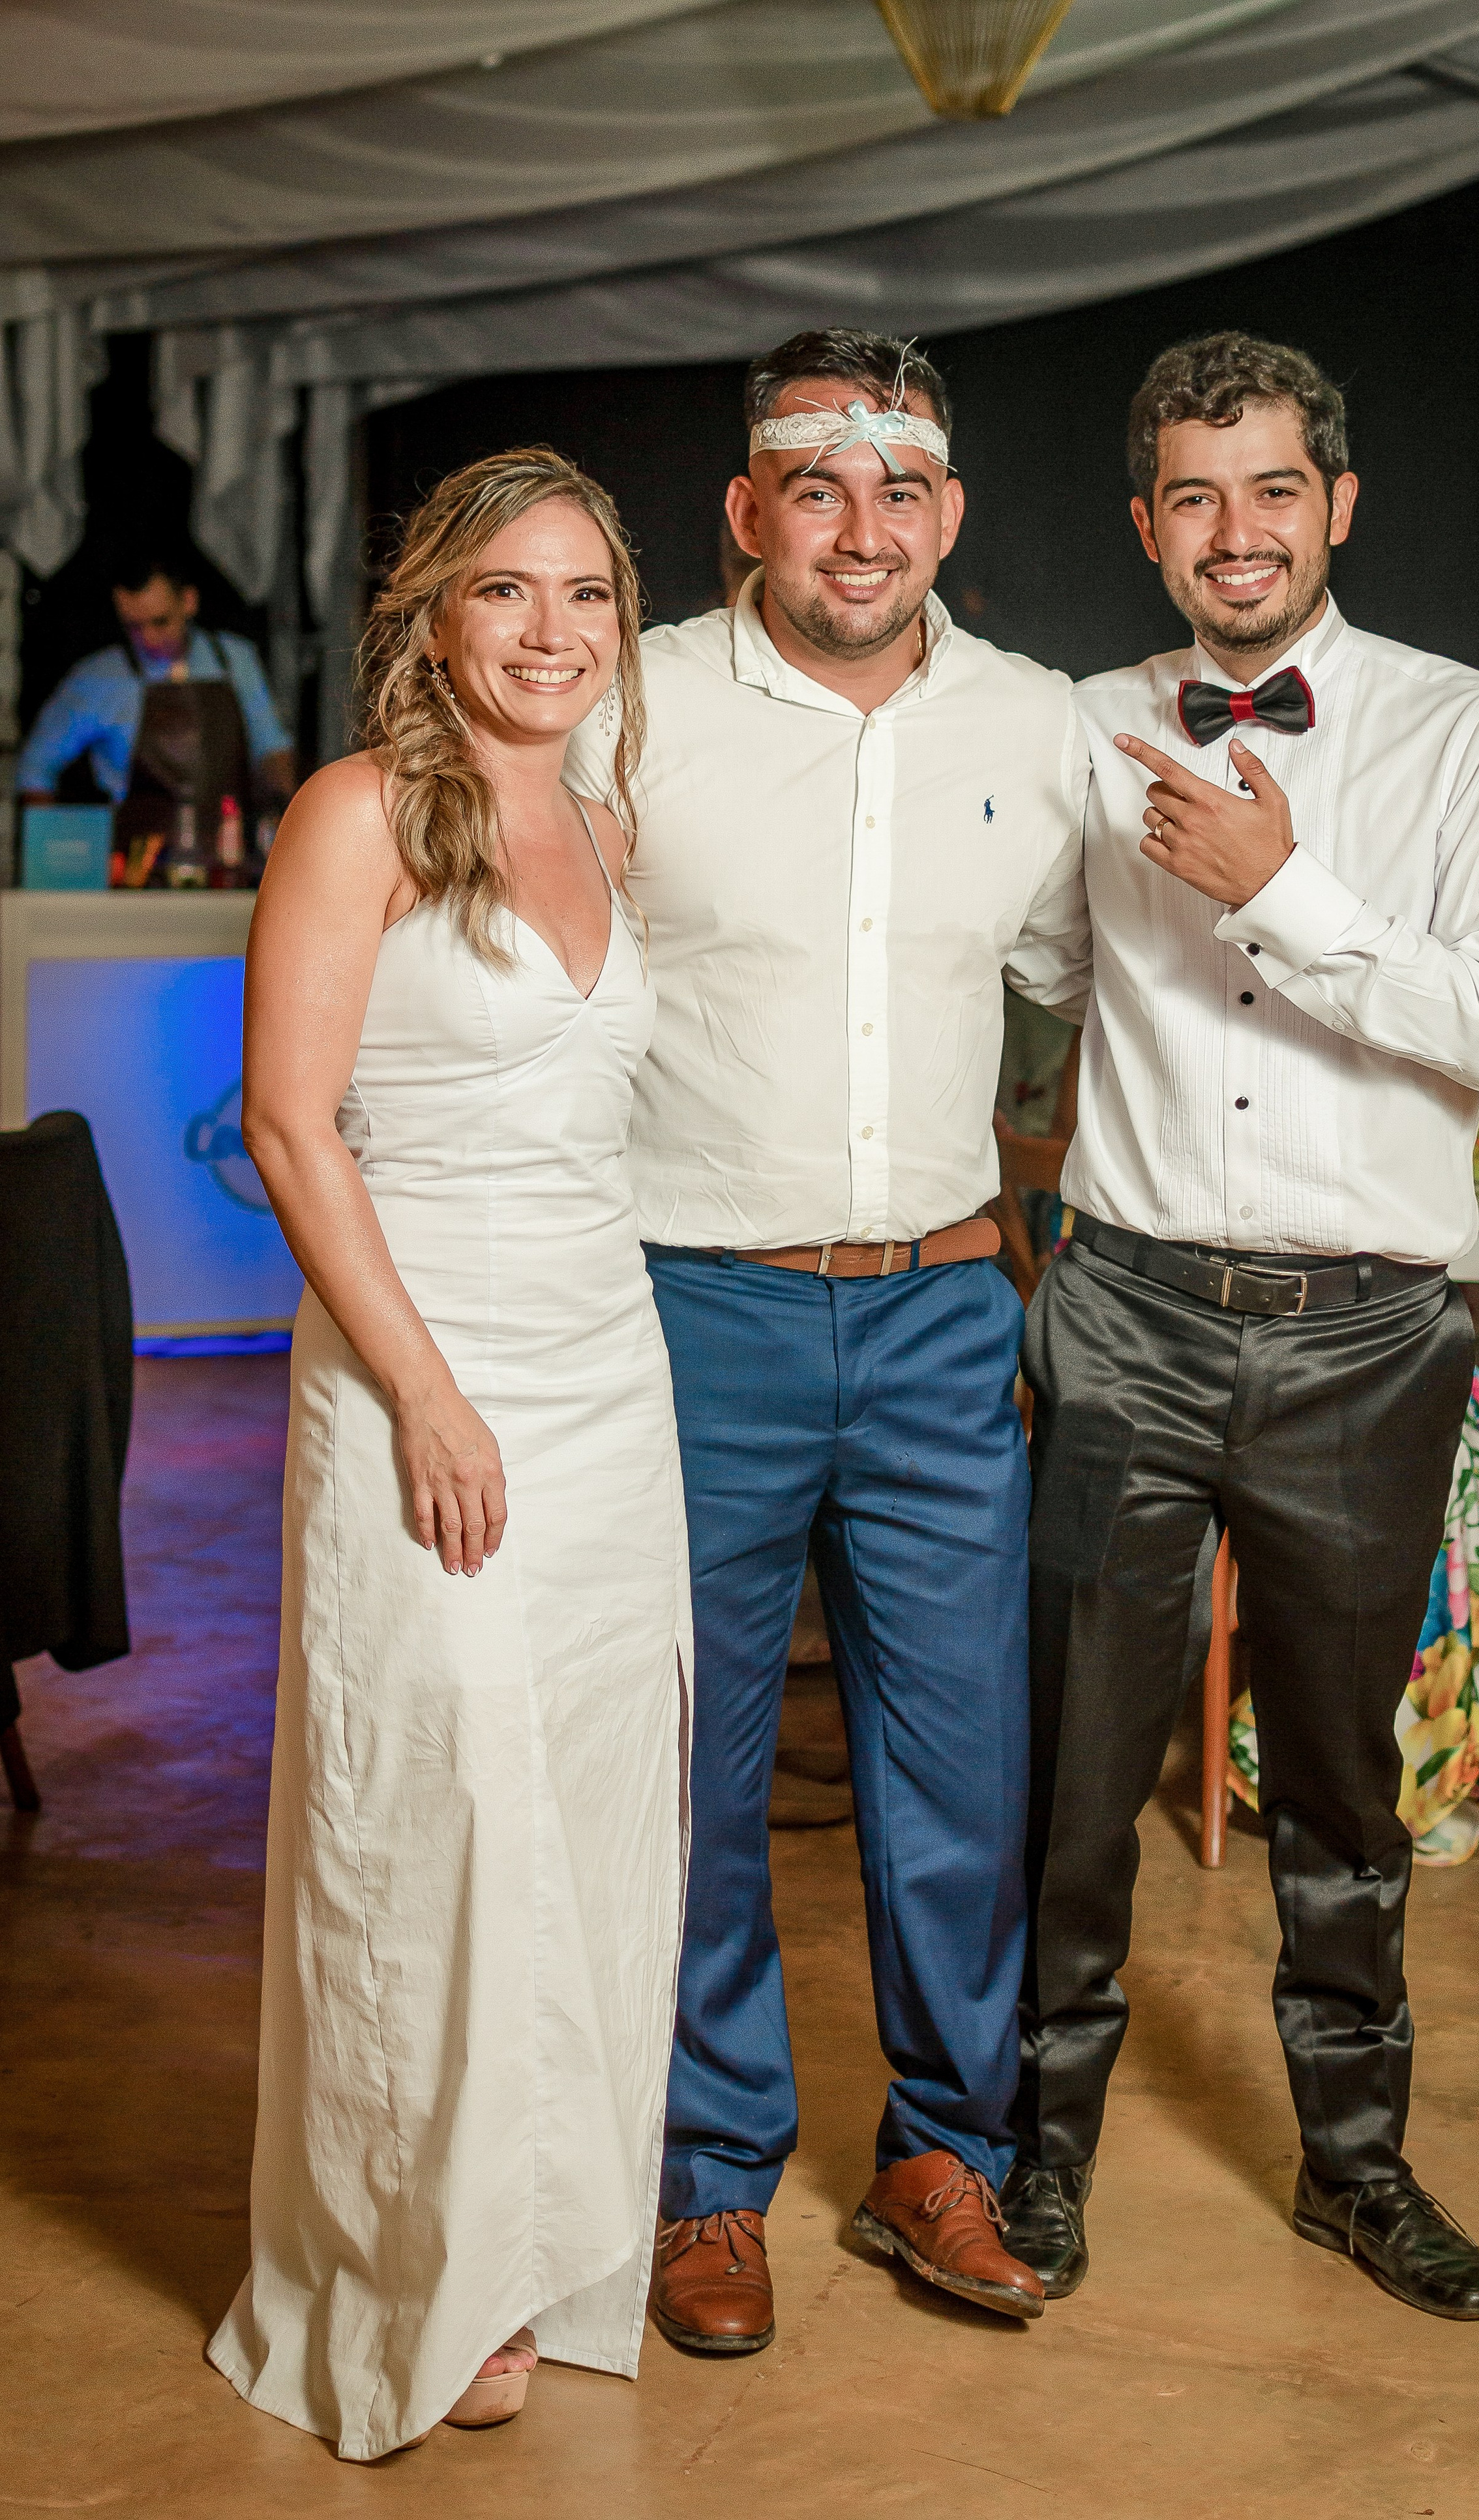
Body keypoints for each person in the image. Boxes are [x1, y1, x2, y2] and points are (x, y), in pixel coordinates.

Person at [1002, 331, 1479, 2321]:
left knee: (1340, 1787)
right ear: (1142, 525)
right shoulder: (1071, 724)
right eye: (1189, 495)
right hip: (1125, 1311)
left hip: (1363, 1335)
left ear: (1336, 503)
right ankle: (1032, 2158)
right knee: (1071, 1772)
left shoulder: (1471, 731)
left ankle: (1352, 2166)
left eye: (1267, 491)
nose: (1229, 533)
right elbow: (1033, 977)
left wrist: (1282, 886)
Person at [567, 327, 1088, 2352]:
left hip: (950, 1302)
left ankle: (938, 2151)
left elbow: (1073, 965)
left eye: (898, 487)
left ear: (947, 510)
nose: (858, 526)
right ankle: (710, 2173)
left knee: (962, 1764)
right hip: (693, 1303)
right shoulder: (631, 704)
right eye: (814, 481)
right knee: (690, 1763)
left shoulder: (1040, 726)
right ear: (744, 510)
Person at [209, 450, 688, 2460]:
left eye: (586, 594)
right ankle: (412, 2272)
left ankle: (552, 2243)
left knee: (588, 1820)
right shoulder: (352, 814)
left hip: (607, 1376)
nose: (553, 630)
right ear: (431, 612)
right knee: (433, 1823)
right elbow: (293, 1129)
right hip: (429, 1373)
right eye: (509, 592)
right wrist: (417, 1386)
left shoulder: (602, 819)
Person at [17, 548, 293, 806]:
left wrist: (289, 809)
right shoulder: (99, 677)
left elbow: (272, 747)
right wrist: (48, 844)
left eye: (160, 621)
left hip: (224, 838)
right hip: (136, 845)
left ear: (188, 602)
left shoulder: (234, 659)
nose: (148, 639)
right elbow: (35, 768)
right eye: (134, 627)